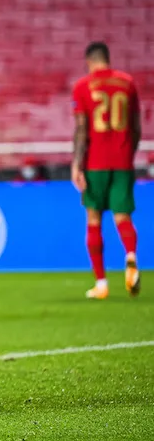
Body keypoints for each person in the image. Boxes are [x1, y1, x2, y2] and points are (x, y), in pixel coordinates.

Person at [71, 42, 141, 300]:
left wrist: (77, 164)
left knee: (94, 219)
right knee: (123, 217)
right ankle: (131, 256)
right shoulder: (128, 83)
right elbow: (136, 127)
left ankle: (101, 283)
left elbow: (81, 129)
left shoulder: (82, 87)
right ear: (108, 59)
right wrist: (128, 154)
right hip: (123, 161)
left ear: (89, 61)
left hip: (95, 163)